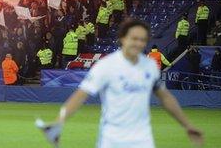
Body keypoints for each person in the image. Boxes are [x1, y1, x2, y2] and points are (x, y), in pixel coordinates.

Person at [45, 19, 203, 148]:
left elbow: (165, 98)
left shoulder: (149, 66)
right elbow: (80, 95)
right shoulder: (106, 66)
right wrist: (59, 121)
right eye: (134, 38)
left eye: (142, 39)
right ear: (123, 39)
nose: (138, 43)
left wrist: (187, 124)